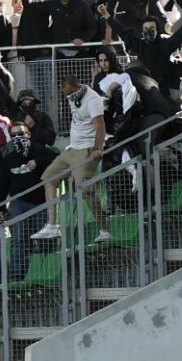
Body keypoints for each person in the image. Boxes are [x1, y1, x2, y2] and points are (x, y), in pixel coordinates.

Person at [30, 71, 109, 243]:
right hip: (72, 148)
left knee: (85, 190)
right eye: (66, 95)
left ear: (79, 87)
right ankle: (52, 225)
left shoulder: (92, 100)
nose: (70, 97)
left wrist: (97, 148)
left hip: (87, 149)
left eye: (72, 93)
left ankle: (104, 228)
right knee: (50, 177)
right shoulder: (73, 98)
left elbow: (100, 126)